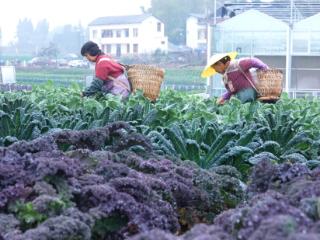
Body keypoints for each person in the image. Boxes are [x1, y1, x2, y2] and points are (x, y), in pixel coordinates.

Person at [201, 52, 269, 105]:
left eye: (215, 69)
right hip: (240, 95)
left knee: (236, 101)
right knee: (230, 102)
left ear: (220, 64)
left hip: (249, 92)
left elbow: (253, 61)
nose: (216, 71)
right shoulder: (226, 77)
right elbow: (231, 91)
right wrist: (223, 97)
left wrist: (264, 68)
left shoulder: (237, 64)